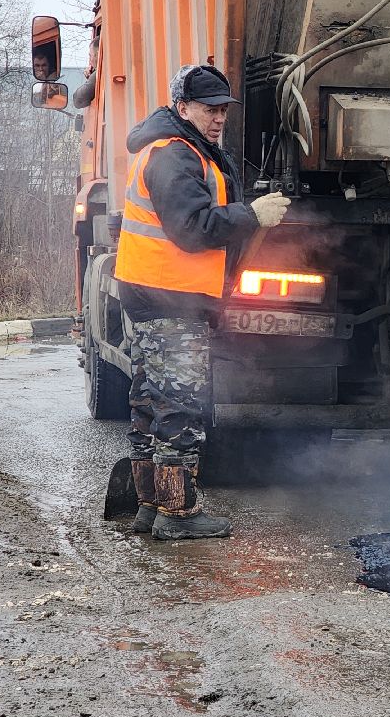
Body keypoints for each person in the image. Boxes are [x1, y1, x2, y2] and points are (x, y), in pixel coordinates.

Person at [116, 65, 291, 540]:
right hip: (170, 297)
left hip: (154, 293)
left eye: (223, 110)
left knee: (151, 403)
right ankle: (178, 515)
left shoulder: (178, 148)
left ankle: (150, 507)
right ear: (182, 108)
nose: (219, 119)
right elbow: (192, 229)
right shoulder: (175, 154)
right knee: (180, 407)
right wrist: (251, 215)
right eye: (209, 109)